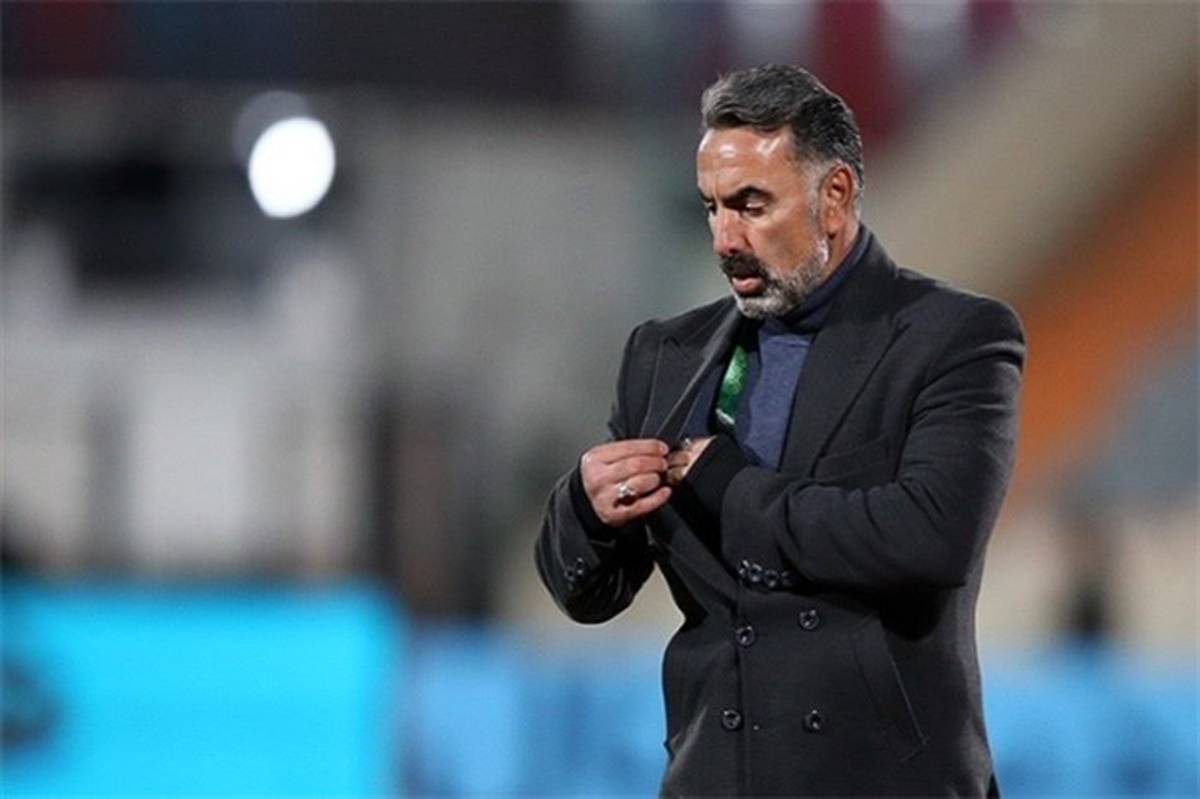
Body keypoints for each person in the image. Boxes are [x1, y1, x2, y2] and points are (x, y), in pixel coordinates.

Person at [535, 64, 1023, 796]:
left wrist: (732, 490)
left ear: (835, 197)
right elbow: (591, 595)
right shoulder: (665, 355)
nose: (725, 237)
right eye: (711, 207)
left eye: (751, 205)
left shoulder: (953, 337)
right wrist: (584, 507)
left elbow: (929, 537)